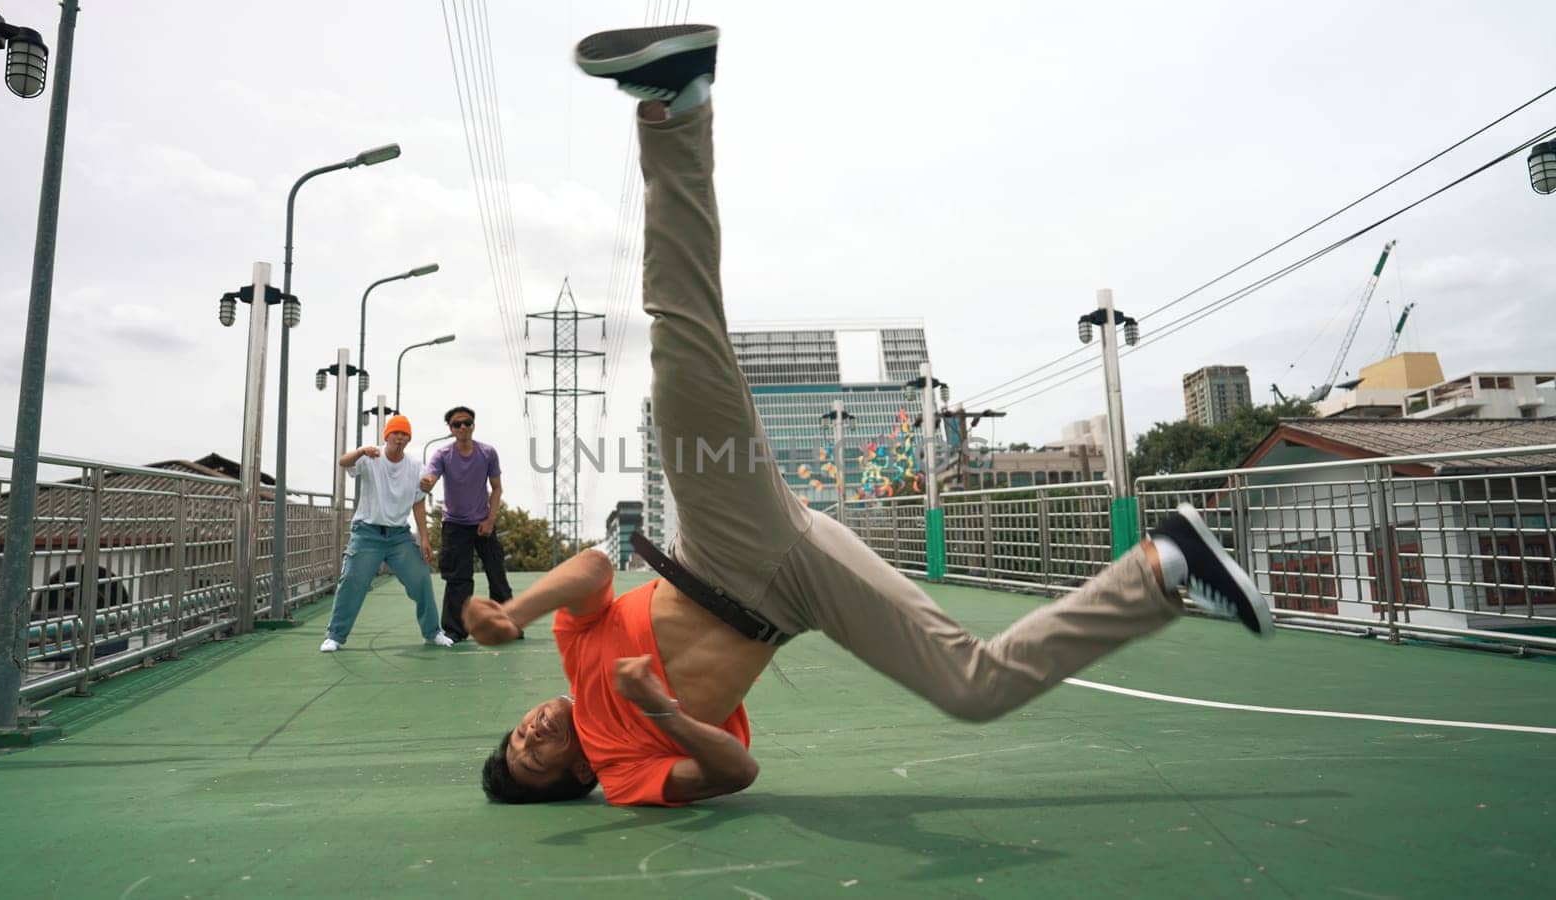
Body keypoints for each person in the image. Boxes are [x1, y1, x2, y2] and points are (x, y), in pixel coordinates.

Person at [464, 24, 1273, 807]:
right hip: (792, 596)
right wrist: (660, 712)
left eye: (516, 734)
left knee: (680, 333)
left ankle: (679, 106)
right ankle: (1164, 566)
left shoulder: (576, 652)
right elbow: (734, 772)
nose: (531, 732)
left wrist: (514, 609)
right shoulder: (627, 771)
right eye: (535, 757)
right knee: (973, 686)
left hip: (720, 548)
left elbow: (596, 573)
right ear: (574, 779)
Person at [320, 414, 454, 652]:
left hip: (399, 536)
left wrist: (424, 537)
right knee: (352, 581)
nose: (400, 438)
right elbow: (343, 462)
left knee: (421, 579)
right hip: (367, 532)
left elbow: (418, 502)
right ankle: (336, 636)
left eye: (405, 434)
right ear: (387, 435)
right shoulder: (372, 456)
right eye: (396, 433)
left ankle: (432, 632)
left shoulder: (415, 466)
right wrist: (362, 450)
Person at [420, 405, 514, 642]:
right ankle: (454, 630)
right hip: (454, 525)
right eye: (457, 424)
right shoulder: (442, 455)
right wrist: (427, 482)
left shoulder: (487, 453)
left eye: (467, 423)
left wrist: (490, 520)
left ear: (473, 425)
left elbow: (497, 488)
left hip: (483, 523)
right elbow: (431, 476)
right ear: (450, 429)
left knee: (497, 574)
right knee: (458, 579)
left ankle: (508, 624)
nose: (463, 427)